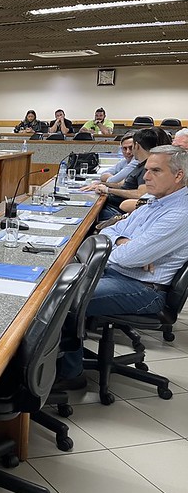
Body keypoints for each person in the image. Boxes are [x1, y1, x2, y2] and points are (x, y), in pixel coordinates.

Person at [56, 145, 188, 390]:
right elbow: (108, 229)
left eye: (155, 171)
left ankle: (70, 374)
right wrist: (123, 241)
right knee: (52, 283)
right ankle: (61, 356)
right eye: (146, 170)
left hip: (146, 289)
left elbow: (127, 258)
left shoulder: (180, 213)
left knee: (60, 298)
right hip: (121, 273)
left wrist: (129, 250)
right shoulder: (154, 200)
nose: (146, 176)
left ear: (178, 175)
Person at [83, 127, 171, 221]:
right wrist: (101, 184)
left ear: (136, 145)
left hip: (117, 211)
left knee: (86, 213)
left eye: (131, 146)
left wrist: (108, 190)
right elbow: (122, 184)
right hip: (114, 206)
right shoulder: (139, 164)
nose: (129, 151)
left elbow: (140, 194)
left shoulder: (147, 168)